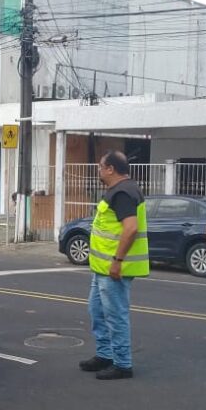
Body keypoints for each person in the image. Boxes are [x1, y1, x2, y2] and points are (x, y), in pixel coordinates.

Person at [76, 151, 149, 380]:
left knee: (115, 315)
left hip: (113, 269)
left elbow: (130, 228)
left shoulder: (124, 192)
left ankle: (122, 364)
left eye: (101, 167)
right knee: (97, 311)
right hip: (102, 268)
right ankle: (105, 355)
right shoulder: (119, 190)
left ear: (111, 169)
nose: (98, 171)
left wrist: (117, 261)